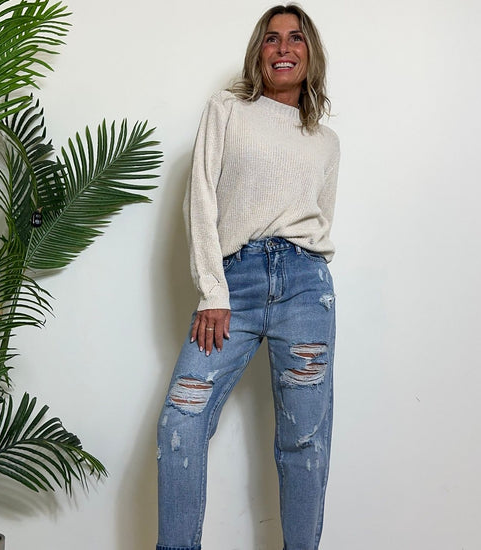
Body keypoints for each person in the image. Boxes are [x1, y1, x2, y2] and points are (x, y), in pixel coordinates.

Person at [156, 4, 340, 550]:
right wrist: (213, 290)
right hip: (234, 283)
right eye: (271, 38)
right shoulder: (227, 110)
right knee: (181, 421)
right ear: (258, 52)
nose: (283, 47)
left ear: (311, 54)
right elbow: (201, 199)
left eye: (296, 38)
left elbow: (320, 220)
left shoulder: (326, 141)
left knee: (305, 441)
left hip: (306, 287)